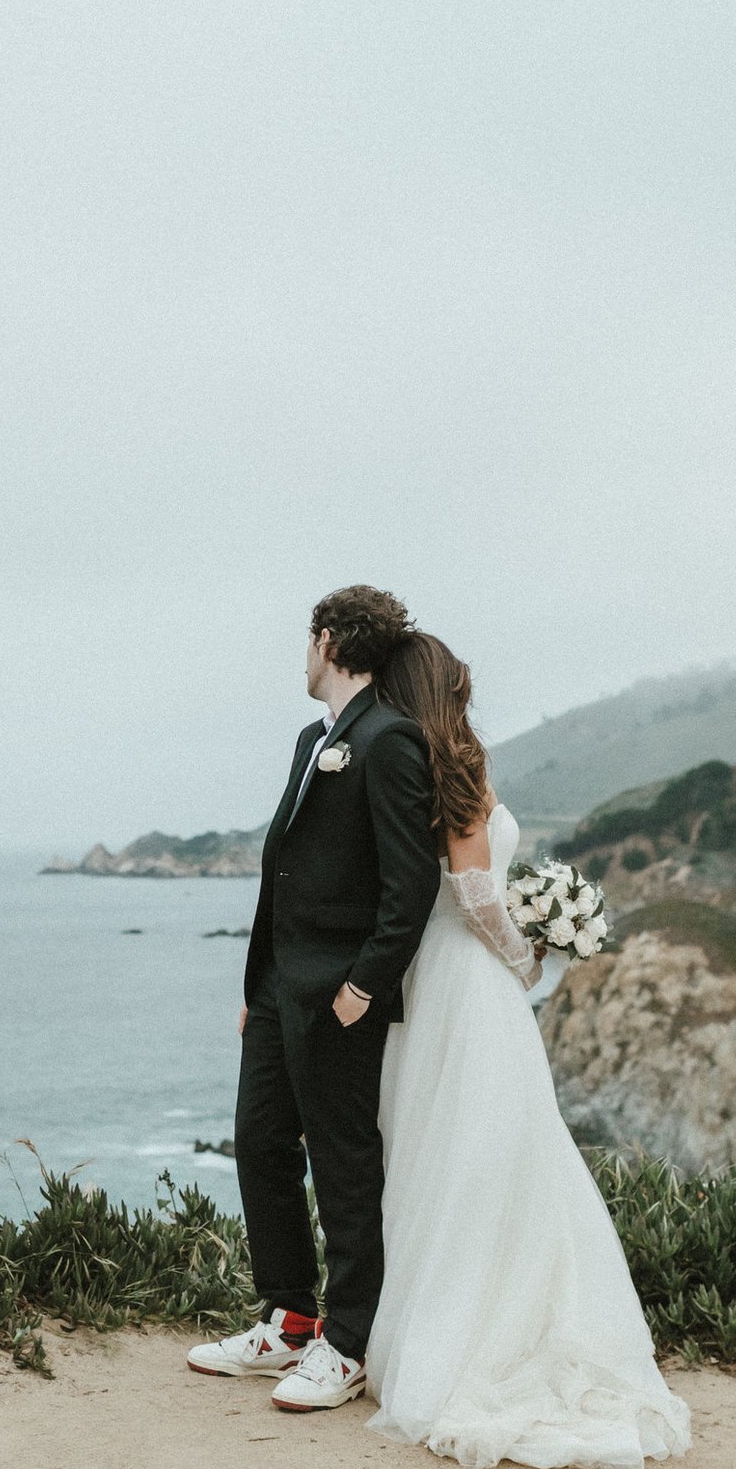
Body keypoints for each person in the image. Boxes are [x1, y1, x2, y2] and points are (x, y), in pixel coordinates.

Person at [360, 631, 692, 1469]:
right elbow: (474, 890)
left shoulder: (395, 766)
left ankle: (418, 1339)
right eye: (461, 684)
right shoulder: (457, 760)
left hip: (423, 984)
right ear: (448, 689)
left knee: (439, 1157)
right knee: (500, 1155)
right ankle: (486, 1343)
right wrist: (528, 956)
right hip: (473, 984)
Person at [185, 585, 438, 1411]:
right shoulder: (312, 739)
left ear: (328, 641)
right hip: (277, 989)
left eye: (308, 640)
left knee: (343, 1162)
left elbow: (411, 884)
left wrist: (364, 986)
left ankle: (349, 1342)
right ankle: (288, 1317)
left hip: (338, 995)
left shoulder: (389, 741)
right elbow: (283, 872)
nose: (303, 655)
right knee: (258, 1140)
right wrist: (256, 985)